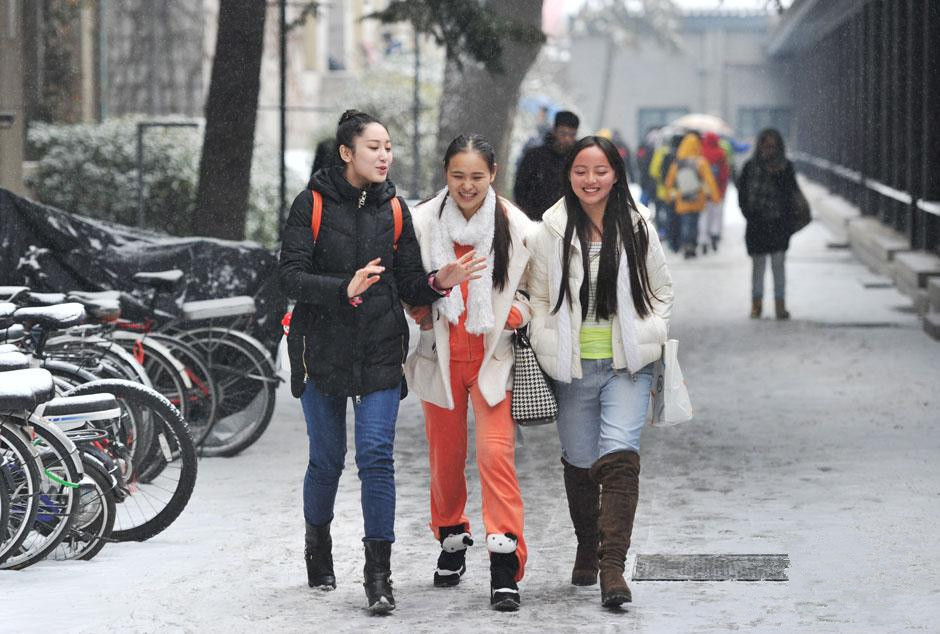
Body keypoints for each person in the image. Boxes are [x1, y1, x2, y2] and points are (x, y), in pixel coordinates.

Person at [278, 109, 485, 614]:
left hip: (378, 349)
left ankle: (379, 576)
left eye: (388, 146)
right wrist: (342, 289)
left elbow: (410, 281)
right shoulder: (312, 204)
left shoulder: (395, 211)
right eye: (373, 147)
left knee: (376, 457)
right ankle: (317, 546)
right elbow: (290, 277)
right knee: (326, 461)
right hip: (322, 349)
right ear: (347, 153)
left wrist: (441, 280)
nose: (384, 154)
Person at [525, 136, 674, 608]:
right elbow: (535, 295)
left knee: (621, 455)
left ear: (616, 174)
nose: (591, 180)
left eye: (601, 171)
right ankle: (587, 543)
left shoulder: (637, 226)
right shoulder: (549, 230)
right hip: (569, 366)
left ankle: (613, 568)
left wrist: (650, 327)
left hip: (627, 365)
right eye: (581, 171)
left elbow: (662, 289)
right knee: (580, 460)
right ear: (569, 175)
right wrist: (543, 333)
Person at [404, 134, 533, 612]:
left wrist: (515, 313)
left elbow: (537, 291)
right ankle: (452, 537)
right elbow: (407, 285)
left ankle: (505, 563)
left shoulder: (516, 226)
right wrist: (421, 304)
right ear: (445, 174)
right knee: (445, 456)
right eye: (458, 176)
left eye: (477, 176)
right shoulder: (420, 224)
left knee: (495, 457)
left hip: (493, 358)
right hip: (440, 354)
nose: (467, 185)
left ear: (493, 174)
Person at [736, 128, 801, 320]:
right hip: (757, 225)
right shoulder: (750, 167)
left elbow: (791, 195)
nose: (768, 149)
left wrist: (787, 220)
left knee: (778, 265)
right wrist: (749, 214)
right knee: (758, 267)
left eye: (772, 146)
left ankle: (780, 305)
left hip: (779, 224)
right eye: (765, 145)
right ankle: (756, 305)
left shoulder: (785, 167)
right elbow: (742, 195)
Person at [513, 110, 580, 221]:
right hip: (533, 219)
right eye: (563, 133)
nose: (567, 139)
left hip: (565, 222)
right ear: (554, 131)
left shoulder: (579, 161)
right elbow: (520, 187)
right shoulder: (535, 156)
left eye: (572, 135)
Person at [664, 132, 720, 259]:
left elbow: (669, 181)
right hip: (697, 197)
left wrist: (669, 196)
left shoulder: (677, 163)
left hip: (682, 197)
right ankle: (692, 245)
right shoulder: (700, 162)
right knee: (694, 222)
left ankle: (686, 244)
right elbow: (709, 180)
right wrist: (715, 196)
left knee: (685, 221)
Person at [699, 132, 731, 253]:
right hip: (718, 189)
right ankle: (714, 234)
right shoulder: (721, 153)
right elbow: (724, 174)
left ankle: (703, 238)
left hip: (704, 190)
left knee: (704, 215)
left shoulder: (701, 153)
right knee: (716, 214)